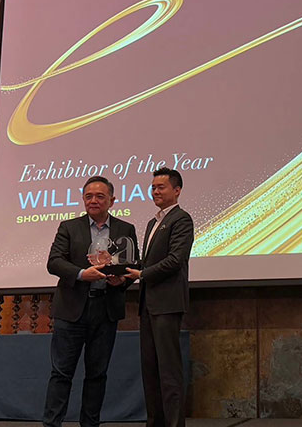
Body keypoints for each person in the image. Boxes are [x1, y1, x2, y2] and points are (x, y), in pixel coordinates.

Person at [43, 176, 138, 427]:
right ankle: (52, 424)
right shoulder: (68, 227)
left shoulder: (125, 229)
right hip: (71, 310)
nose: (93, 200)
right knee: (61, 374)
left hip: (105, 309)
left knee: (97, 375)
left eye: (100, 196)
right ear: (83, 199)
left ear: (112, 201)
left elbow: (132, 266)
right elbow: (54, 262)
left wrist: (122, 281)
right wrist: (81, 274)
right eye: (89, 196)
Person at [125, 167, 194, 427]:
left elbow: (175, 260)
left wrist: (141, 273)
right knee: (150, 370)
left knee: (169, 371)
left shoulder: (181, 219)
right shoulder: (154, 222)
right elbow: (147, 262)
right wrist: (125, 273)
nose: (155, 191)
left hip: (167, 304)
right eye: (153, 187)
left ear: (177, 190)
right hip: (148, 305)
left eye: (161, 187)